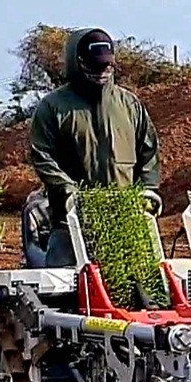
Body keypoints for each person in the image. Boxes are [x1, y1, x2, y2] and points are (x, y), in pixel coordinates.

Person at [24, 28, 161, 267]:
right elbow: (42, 155)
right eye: (95, 67)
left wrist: (147, 189)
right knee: (64, 291)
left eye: (107, 67)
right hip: (70, 225)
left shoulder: (129, 105)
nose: (101, 73)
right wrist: (68, 191)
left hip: (126, 224)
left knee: (143, 288)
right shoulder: (53, 108)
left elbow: (148, 151)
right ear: (78, 63)